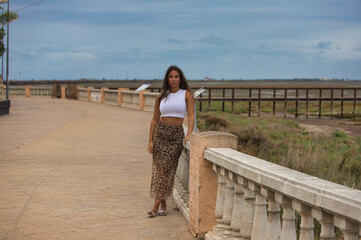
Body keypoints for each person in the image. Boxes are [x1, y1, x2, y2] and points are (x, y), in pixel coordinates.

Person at [147, 65, 195, 218]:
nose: (174, 79)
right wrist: (150, 141)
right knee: (159, 172)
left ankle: (155, 207)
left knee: (168, 171)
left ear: (180, 78)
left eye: (176, 76)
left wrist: (189, 134)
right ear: (167, 79)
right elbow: (154, 119)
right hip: (160, 134)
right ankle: (162, 204)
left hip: (175, 137)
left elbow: (192, 116)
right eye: (171, 76)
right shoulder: (161, 97)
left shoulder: (186, 95)